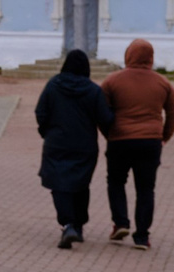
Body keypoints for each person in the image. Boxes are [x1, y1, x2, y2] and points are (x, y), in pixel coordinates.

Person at [101, 38, 174, 249]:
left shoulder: (112, 81)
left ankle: (120, 222)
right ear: (151, 58)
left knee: (116, 182)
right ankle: (142, 236)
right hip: (150, 142)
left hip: (119, 140)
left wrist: (109, 133)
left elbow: (101, 111)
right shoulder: (163, 83)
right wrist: (164, 136)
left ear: (128, 56)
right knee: (146, 188)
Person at [35, 48, 114, 249]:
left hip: (57, 144)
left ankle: (68, 224)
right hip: (84, 146)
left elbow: (41, 112)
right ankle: (78, 224)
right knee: (80, 184)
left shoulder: (53, 85)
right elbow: (105, 119)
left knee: (59, 185)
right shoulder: (94, 90)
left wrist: (47, 132)